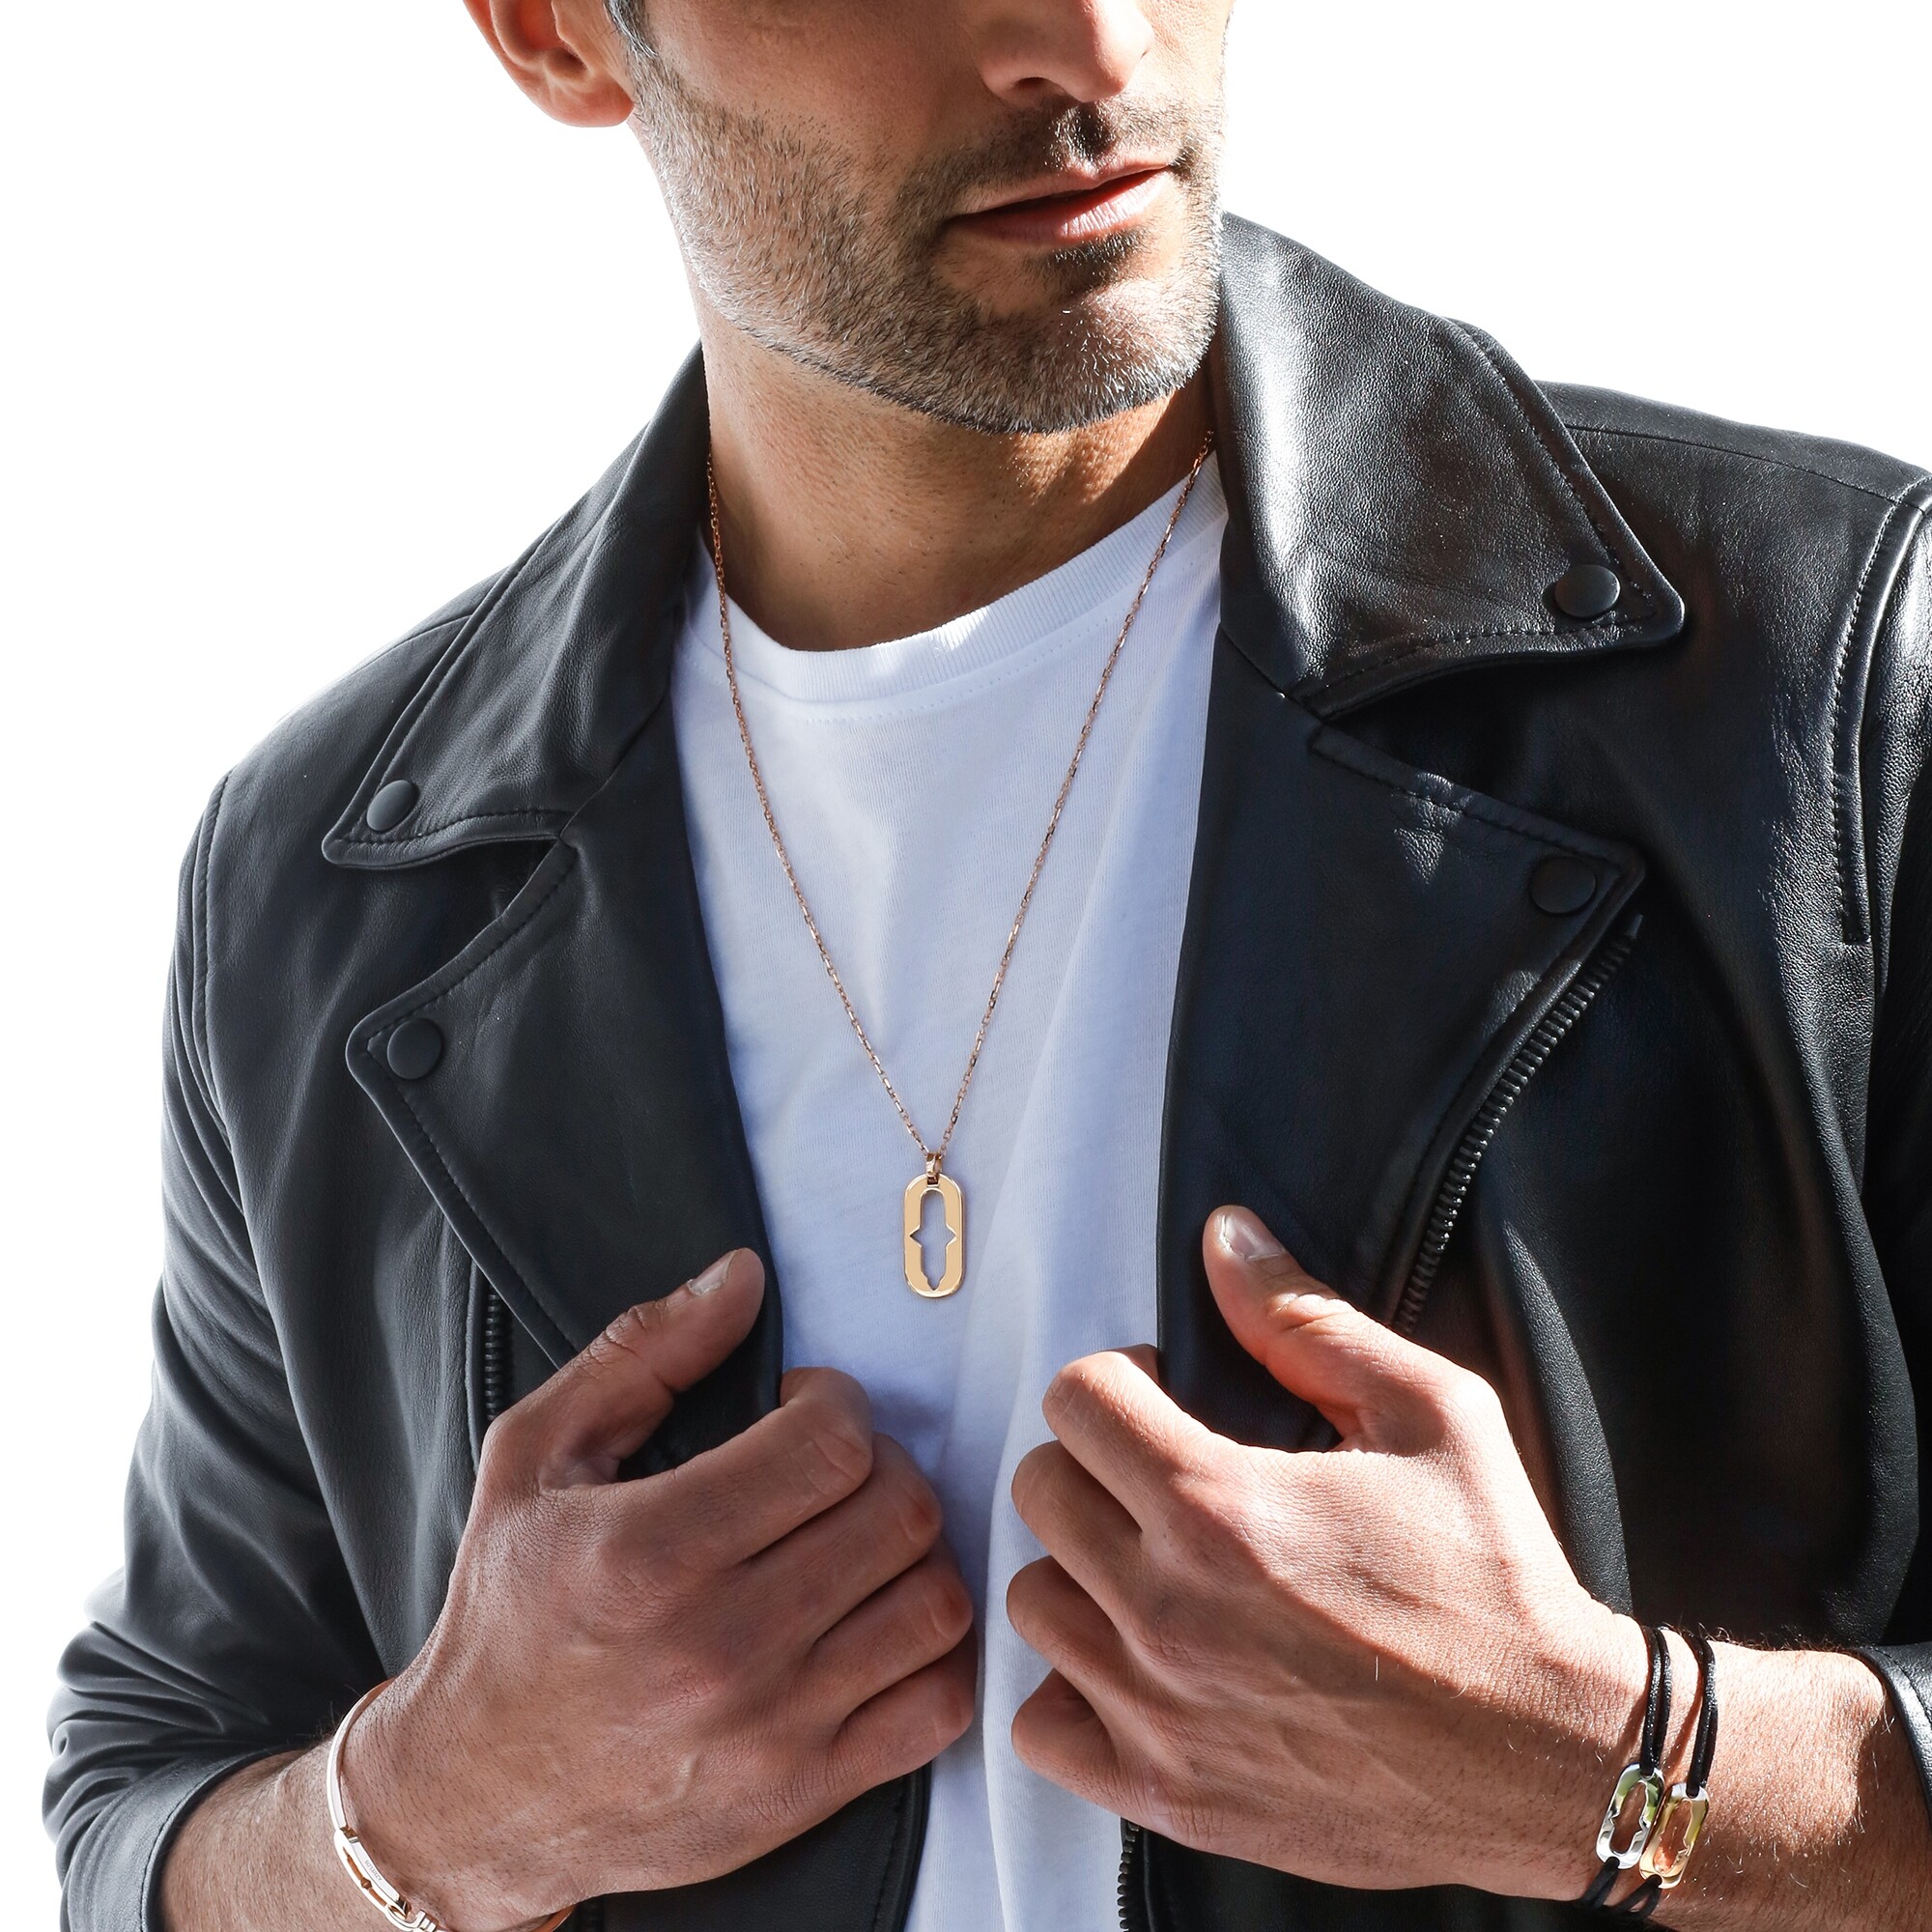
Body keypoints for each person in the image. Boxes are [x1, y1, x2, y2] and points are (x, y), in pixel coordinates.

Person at [44, 1, 1932, 1928]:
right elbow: (147, 1791)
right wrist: (438, 1813)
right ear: (555, 34)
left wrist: (1613, 1763)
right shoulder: (332, 881)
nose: (1091, 42)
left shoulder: (1823, 678)